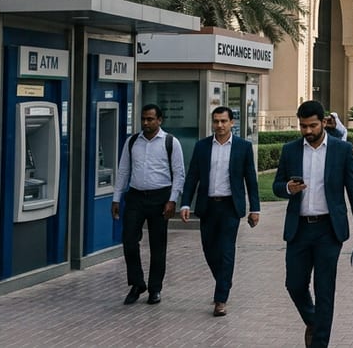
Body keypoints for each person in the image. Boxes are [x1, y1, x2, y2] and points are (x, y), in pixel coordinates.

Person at [273, 100, 353, 348]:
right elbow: (277, 186)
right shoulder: (290, 150)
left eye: (312, 125)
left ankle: (319, 342)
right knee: (294, 284)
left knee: (324, 289)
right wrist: (287, 188)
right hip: (299, 229)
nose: (307, 131)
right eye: (303, 126)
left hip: (329, 229)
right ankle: (314, 321)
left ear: (324, 122)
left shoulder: (341, 150)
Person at [179, 106, 260, 317]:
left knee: (226, 251)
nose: (220, 125)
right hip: (207, 206)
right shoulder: (202, 146)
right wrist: (185, 203)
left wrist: (255, 208)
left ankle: (221, 298)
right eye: (216, 121)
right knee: (209, 250)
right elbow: (192, 176)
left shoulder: (243, 147)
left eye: (224, 121)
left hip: (230, 207)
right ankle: (224, 280)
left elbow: (251, 179)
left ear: (232, 122)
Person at [111, 103, 184, 306]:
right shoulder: (132, 141)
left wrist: (172, 200)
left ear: (159, 120)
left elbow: (179, 173)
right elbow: (123, 170)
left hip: (160, 197)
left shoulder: (170, 142)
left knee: (157, 245)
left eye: (150, 119)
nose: (146, 123)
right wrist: (116, 198)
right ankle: (137, 283)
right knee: (129, 240)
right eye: (143, 119)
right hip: (135, 196)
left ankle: (155, 288)